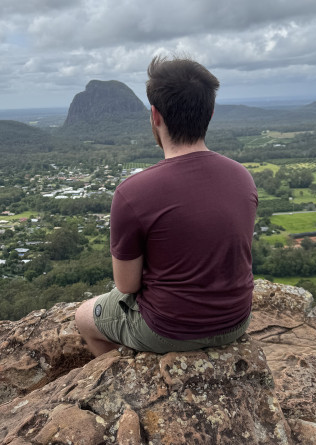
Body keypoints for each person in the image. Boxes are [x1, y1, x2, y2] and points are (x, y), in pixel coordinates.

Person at [75, 55, 258, 356]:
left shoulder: (133, 192)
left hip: (167, 331)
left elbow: (127, 285)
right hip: (236, 321)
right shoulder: (242, 177)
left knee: (83, 316)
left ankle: (120, 376)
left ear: (155, 115)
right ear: (210, 113)